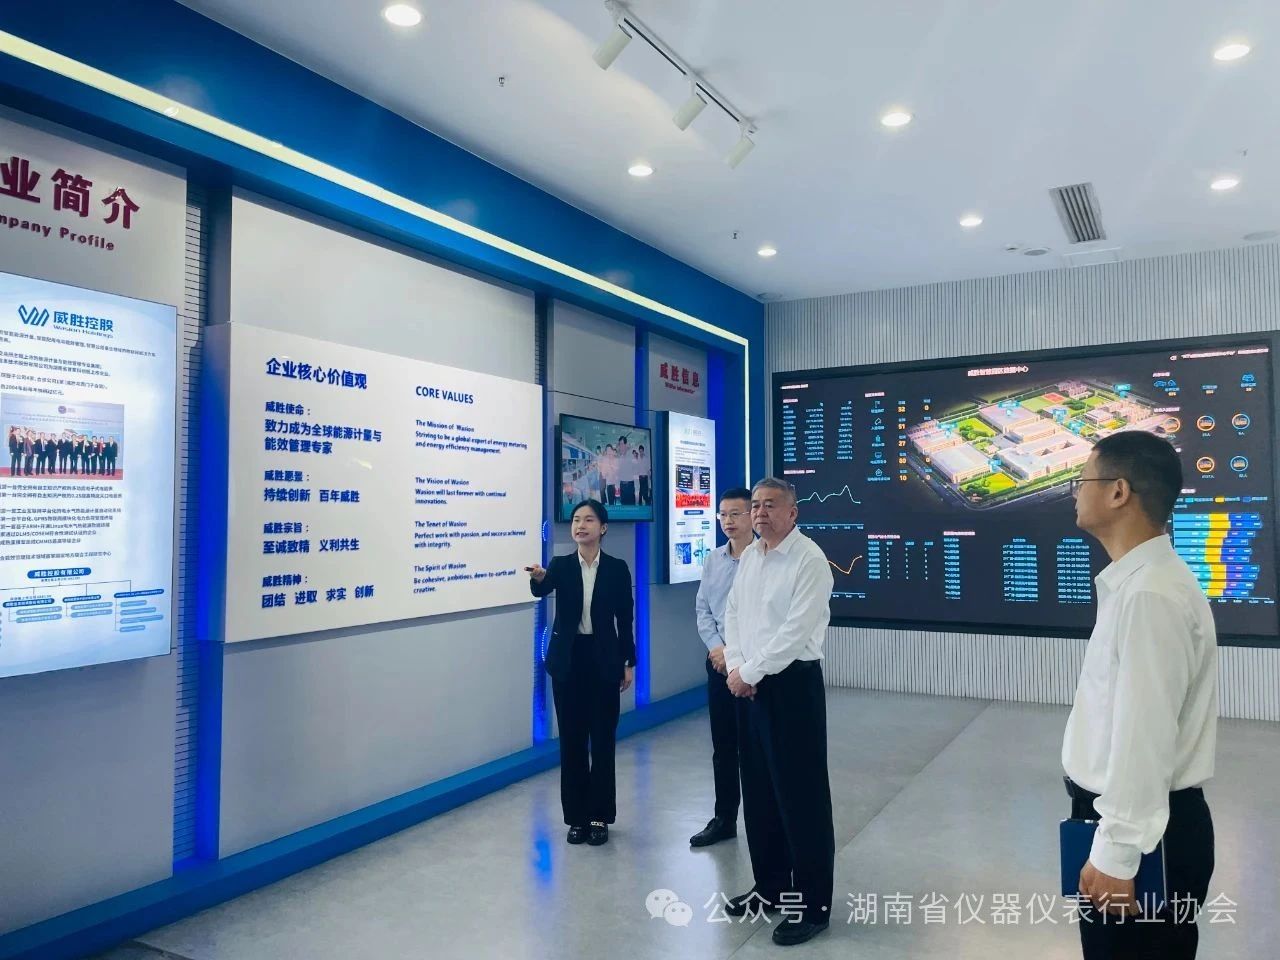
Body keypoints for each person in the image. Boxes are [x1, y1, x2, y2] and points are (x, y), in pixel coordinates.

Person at [1064, 431, 1217, 959]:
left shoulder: (1150, 595)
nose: (1076, 492)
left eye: (1082, 480)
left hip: (1149, 836)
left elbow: (1143, 737)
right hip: (1137, 823)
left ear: (1118, 492)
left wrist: (1118, 854)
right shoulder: (1139, 584)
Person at [722, 477, 835, 946]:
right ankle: (770, 887)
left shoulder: (809, 560)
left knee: (801, 798)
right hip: (749, 685)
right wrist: (737, 667)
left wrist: (750, 671)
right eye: (755, 505)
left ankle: (813, 906)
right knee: (759, 793)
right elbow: (732, 613)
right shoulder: (751, 556)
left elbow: (794, 632)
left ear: (793, 513)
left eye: (770, 505)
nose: (760, 513)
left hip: (791, 687)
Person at [527, 499, 635, 847]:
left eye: (589, 520)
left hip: (604, 660)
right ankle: (576, 817)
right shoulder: (561, 565)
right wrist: (539, 578)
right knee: (572, 742)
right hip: (568, 662)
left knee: (602, 742)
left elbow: (626, 618)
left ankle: (599, 816)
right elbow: (543, 587)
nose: (580, 526)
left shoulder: (616, 568)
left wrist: (628, 662)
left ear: (603, 528)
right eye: (576, 520)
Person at [689, 487, 754, 848]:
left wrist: (736, 656)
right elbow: (703, 609)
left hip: (753, 668)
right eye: (723, 515)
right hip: (718, 665)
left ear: (752, 515)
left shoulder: (764, 558)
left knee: (755, 749)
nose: (728, 521)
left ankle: (762, 821)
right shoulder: (713, 559)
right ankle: (724, 819)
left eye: (735, 514)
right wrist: (717, 649)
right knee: (724, 746)